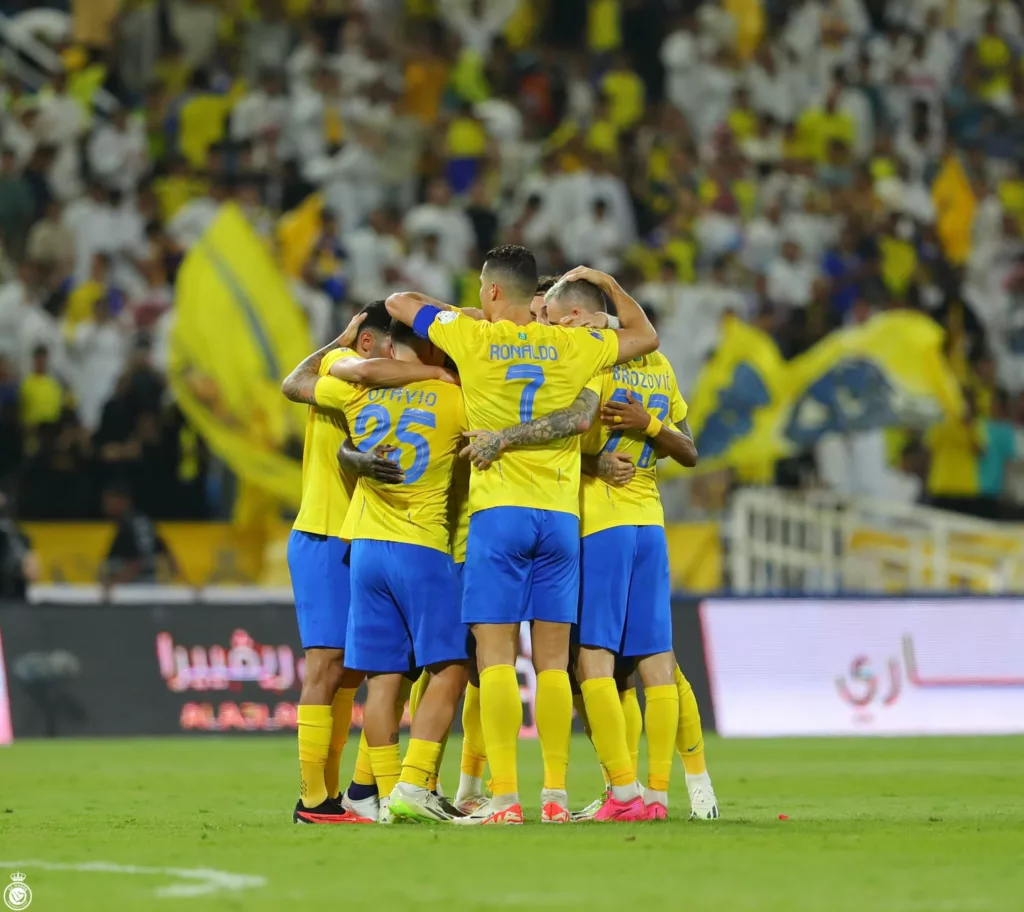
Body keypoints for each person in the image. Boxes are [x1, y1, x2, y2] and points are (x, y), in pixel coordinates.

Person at [386, 245, 659, 825]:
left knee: (495, 660)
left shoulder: (472, 336)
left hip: (499, 513)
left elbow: (399, 302)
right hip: (561, 517)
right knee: (556, 664)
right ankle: (556, 798)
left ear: (491, 293)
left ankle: (504, 798)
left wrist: (471, 315)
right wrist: (606, 287)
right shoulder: (572, 344)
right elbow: (644, 335)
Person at [483, 273, 720, 821]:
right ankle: (661, 794)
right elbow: (686, 448)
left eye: (553, 314)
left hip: (596, 524)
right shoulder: (655, 364)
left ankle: (625, 793)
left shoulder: (586, 362)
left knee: (592, 659)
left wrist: (602, 451)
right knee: (656, 662)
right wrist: (651, 423)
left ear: (572, 317)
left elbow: (567, 428)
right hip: (649, 525)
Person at [279, 301, 457, 825]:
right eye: (395, 349)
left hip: (369, 538)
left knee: (374, 672)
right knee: (328, 667)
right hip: (325, 531)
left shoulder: (386, 391)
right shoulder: (349, 380)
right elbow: (294, 382)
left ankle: (357, 791)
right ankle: (314, 800)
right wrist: (342, 340)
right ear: (367, 346)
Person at [325, 317, 466, 824]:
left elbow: (299, 385)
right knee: (450, 668)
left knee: (384, 678)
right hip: (421, 544)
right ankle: (413, 784)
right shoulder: (455, 397)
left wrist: (347, 350)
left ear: (387, 346)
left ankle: (379, 798)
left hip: (365, 544)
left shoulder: (356, 392)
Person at [99, 483, 175, 587]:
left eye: (110, 501)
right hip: (138, 587)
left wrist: (115, 583)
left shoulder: (135, 525)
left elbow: (141, 560)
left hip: (140, 588)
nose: (106, 506)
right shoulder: (128, 523)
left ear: (123, 501)